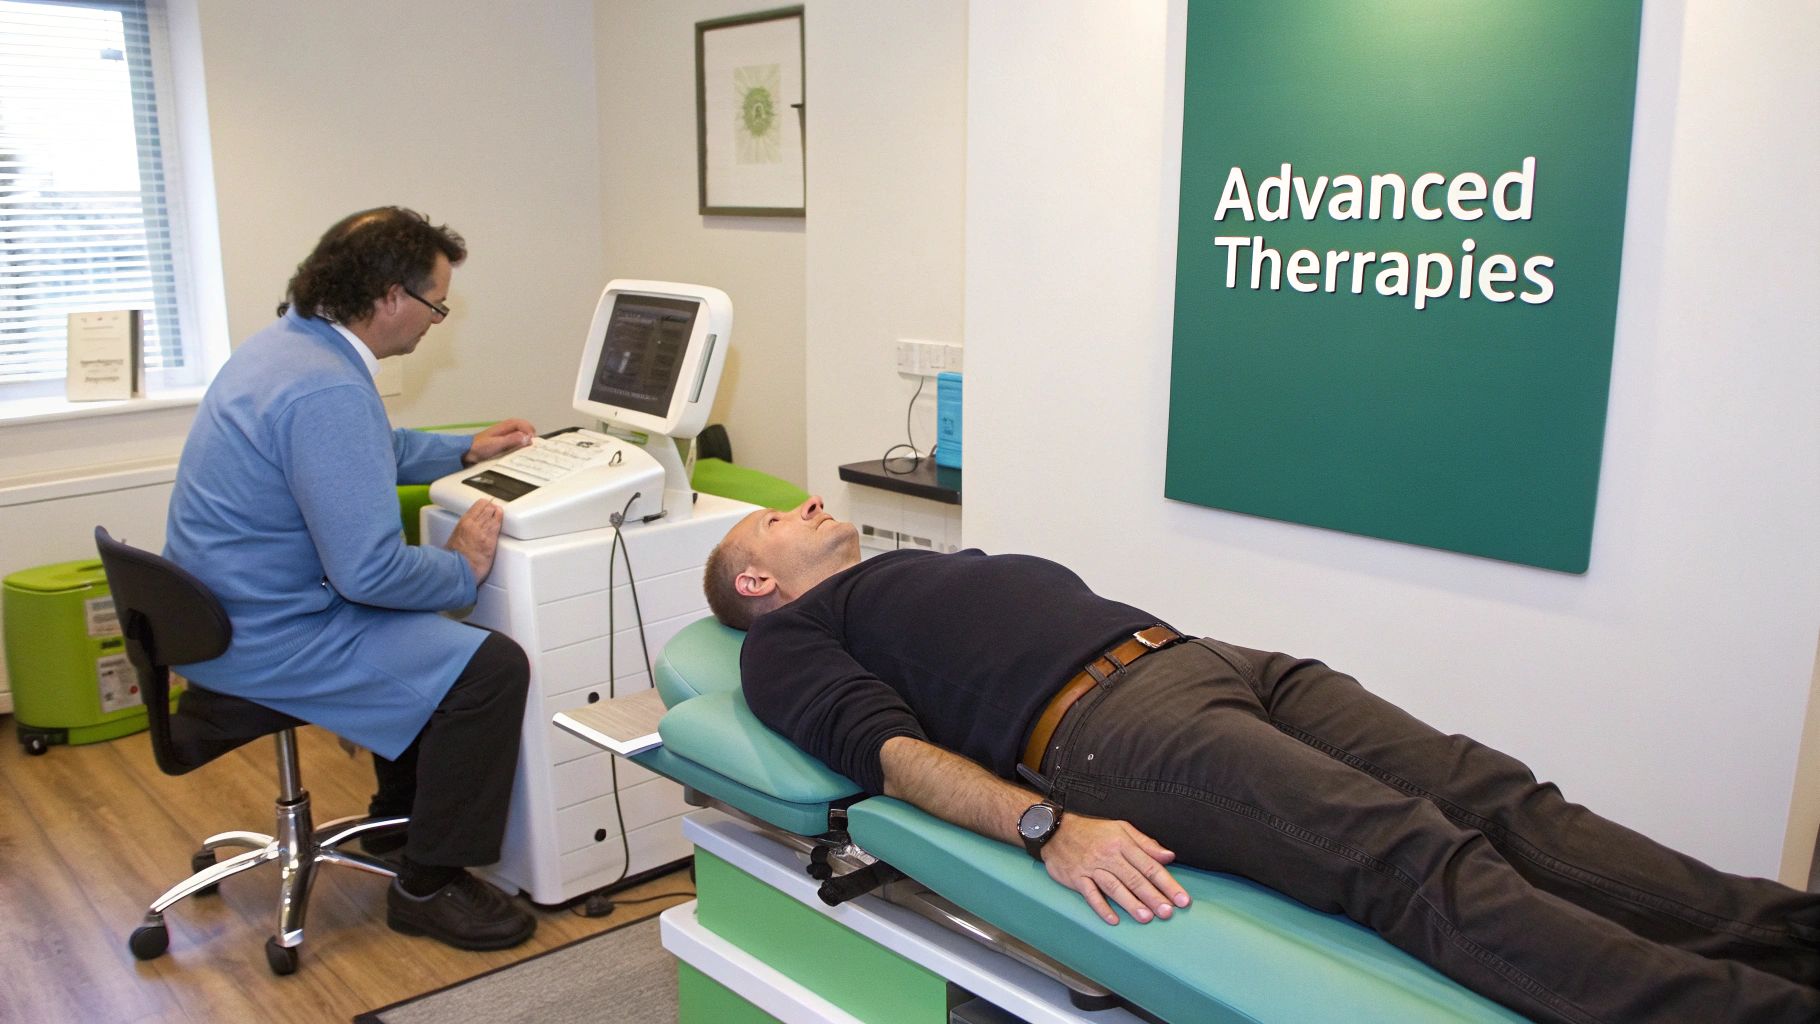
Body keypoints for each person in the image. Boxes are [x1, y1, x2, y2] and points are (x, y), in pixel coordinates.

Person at [703, 496, 1820, 1023]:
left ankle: (1793, 939)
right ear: (754, 584)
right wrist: (1046, 828)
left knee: (1504, 801)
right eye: (769, 522)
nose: (804, 502)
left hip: (1214, 661)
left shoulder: (904, 571)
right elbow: (894, 759)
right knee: (1409, 859)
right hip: (1112, 732)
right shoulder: (792, 642)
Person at [164, 207, 537, 951]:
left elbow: (364, 449)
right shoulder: (327, 388)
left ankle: (398, 825)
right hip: (269, 638)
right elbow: (368, 573)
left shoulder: (289, 348)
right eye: (436, 303)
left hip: (217, 617)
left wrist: (464, 449)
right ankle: (430, 884)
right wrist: (459, 568)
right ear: (391, 298)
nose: (437, 321)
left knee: (424, 640)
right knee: (489, 667)